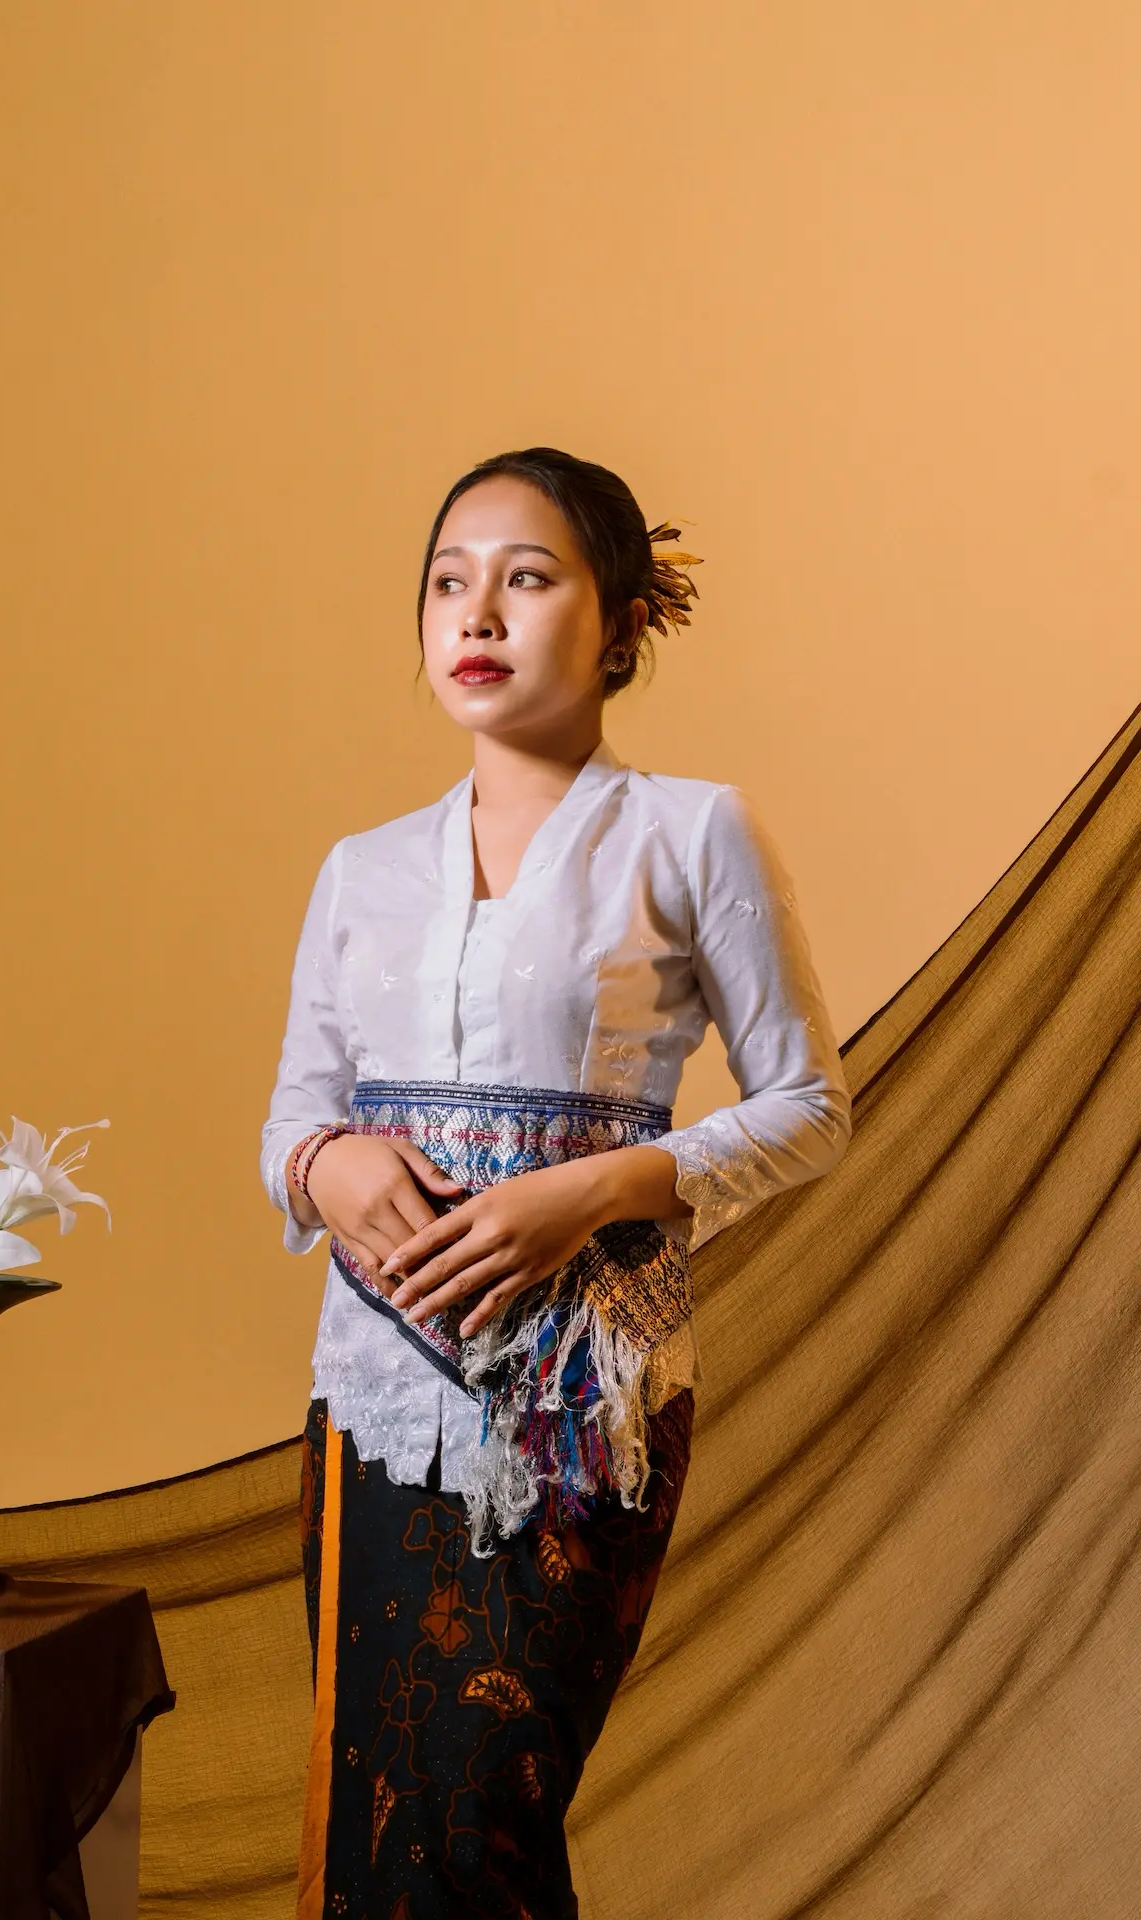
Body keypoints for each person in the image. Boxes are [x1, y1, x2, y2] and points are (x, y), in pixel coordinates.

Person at [262, 447, 852, 1920]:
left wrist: (588, 1193)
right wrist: (327, 1164)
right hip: (374, 1397)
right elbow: (293, 1118)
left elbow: (809, 1107)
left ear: (623, 621)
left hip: (584, 1400)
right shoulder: (360, 869)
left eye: (526, 579)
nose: (478, 614)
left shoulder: (691, 831)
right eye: (448, 584)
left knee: (485, 1820)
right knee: (390, 1821)